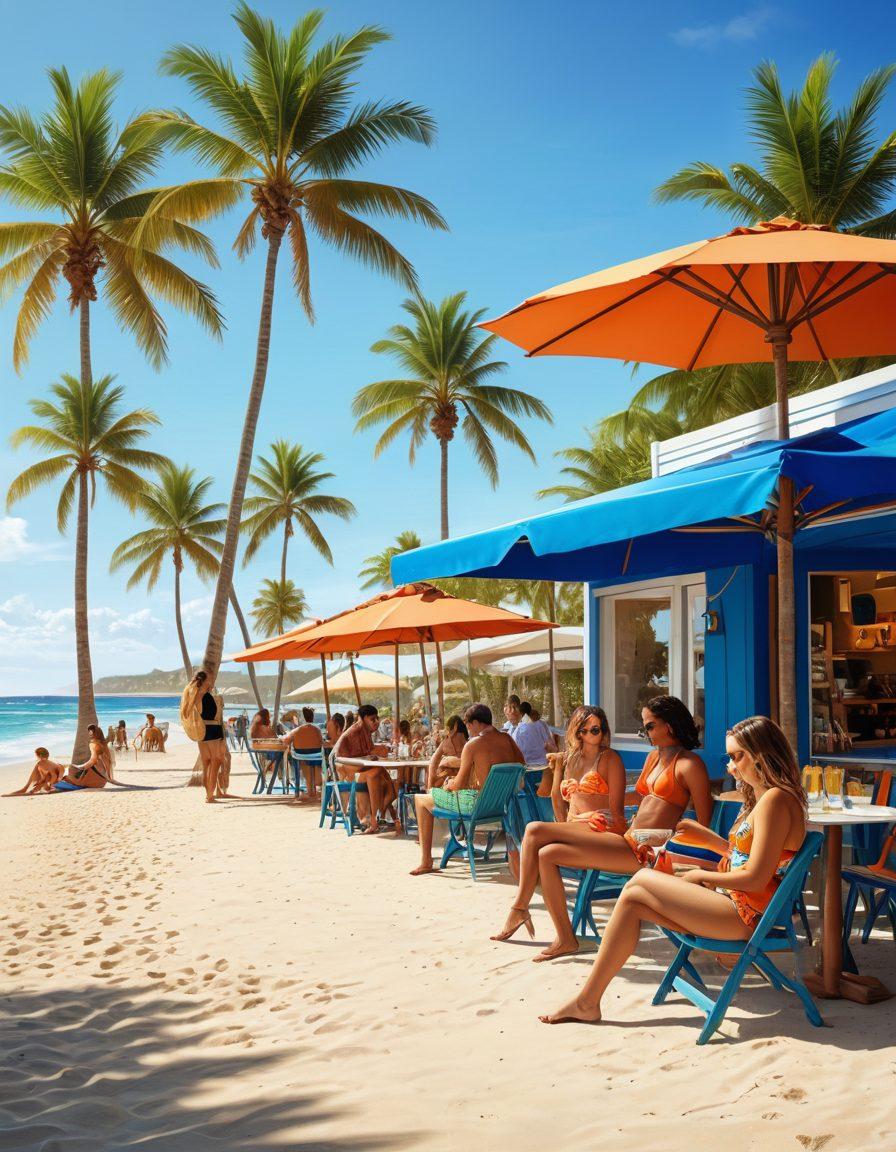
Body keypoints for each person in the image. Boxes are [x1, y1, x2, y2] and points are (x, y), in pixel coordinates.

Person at [539, 715, 808, 1025]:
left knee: (640, 882)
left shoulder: (775, 800)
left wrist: (701, 876)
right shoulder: (768, 798)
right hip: (737, 904)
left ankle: (587, 1001)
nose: (731, 767)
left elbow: (756, 878)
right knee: (634, 899)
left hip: (745, 915)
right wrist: (708, 839)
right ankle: (588, 1001)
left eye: (737, 757)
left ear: (761, 754)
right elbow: (746, 858)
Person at [492, 695, 712, 961]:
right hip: (629, 838)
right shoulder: (654, 758)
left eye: (649, 726)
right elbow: (639, 797)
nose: (645, 733)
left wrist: (672, 847)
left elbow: (705, 825)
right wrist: (593, 796)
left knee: (535, 830)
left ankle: (519, 907)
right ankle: (566, 939)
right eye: (643, 727)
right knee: (547, 854)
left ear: (669, 725)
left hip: (647, 850)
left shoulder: (690, 765)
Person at [411, 703, 524, 876]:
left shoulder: (473, 745)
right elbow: (521, 765)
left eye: (468, 725)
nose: (468, 729)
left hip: (476, 806)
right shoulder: (507, 739)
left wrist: (449, 783)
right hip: (501, 806)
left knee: (421, 799)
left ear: (476, 723)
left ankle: (426, 861)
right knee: (436, 795)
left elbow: (460, 785)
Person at [332, 705, 398, 832]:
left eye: (377, 719)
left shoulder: (365, 731)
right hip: (348, 771)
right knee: (376, 773)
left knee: (389, 781)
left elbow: (367, 754)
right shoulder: (355, 732)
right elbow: (358, 758)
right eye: (373, 719)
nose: (376, 722)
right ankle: (374, 818)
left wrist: (377, 751)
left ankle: (380, 814)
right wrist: (377, 751)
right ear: (363, 718)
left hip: (359, 768)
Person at [180, 671, 229, 803]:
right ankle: (210, 796)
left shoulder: (193, 695)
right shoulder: (205, 695)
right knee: (216, 761)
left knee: (206, 763)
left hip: (201, 731)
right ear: (205, 681)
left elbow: (186, 713)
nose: (212, 682)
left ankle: (209, 795)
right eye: (210, 680)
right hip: (212, 729)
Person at [54, 725, 115, 791]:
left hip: (93, 781)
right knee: (70, 770)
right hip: (102, 782)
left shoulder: (94, 744)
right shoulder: (104, 744)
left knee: (71, 768)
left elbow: (93, 760)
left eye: (91, 732)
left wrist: (80, 767)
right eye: (89, 732)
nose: (90, 734)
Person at [282, 706, 323, 799]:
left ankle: (310, 791)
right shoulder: (317, 730)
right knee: (313, 765)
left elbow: (286, 741)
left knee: (304, 763)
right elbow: (321, 742)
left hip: (301, 756)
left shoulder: (297, 730)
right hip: (316, 756)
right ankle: (314, 790)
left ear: (303, 718)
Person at [425, 714, 469, 790]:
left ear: (455, 727)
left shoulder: (448, 741)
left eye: (448, 729)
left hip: (459, 778)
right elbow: (433, 762)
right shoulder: (466, 740)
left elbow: (433, 762)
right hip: (459, 779)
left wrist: (430, 785)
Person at [514, 700, 559, 769]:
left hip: (526, 765)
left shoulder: (518, 730)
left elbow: (514, 747)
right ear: (530, 710)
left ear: (520, 713)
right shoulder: (540, 724)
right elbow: (548, 742)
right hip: (542, 764)